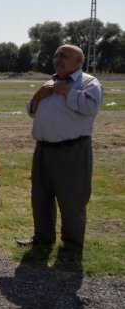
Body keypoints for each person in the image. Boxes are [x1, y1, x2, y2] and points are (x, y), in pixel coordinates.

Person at [18, 44, 103, 256]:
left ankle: (72, 246)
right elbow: (31, 111)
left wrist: (68, 92)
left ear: (78, 61)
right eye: (56, 55)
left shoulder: (89, 83)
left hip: (72, 151)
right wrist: (37, 97)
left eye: (64, 55)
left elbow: (91, 108)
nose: (58, 59)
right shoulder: (50, 82)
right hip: (43, 150)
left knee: (72, 200)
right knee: (41, 197)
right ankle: (43, 237)